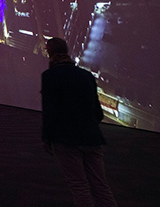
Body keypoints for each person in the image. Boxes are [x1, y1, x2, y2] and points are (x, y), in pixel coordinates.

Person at [41, 37, 118, 207]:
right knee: (101, 186)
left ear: (49, 52)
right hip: (91, 137)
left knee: (79, 185)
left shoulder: (49, 76)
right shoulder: (86, 75)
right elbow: (98, 112)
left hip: (66, 139)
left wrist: (47, 138)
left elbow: (50, 111)